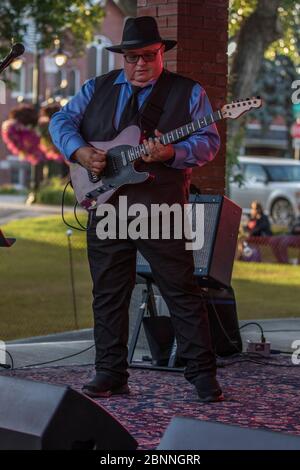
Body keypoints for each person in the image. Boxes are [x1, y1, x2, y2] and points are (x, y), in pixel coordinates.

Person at [49, 16, 222, 402]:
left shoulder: (189, 92)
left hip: (160, 206)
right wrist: (79, 151)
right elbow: (61, 120)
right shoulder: (96, 88)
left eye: (148, 55)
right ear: (122, 57)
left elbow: (209, 143)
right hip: (107, 204)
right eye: (131, 57)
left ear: (162, 54)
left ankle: (202, 375)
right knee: (108, 293)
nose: (139, 64)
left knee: (181, 290)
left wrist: (174, 151)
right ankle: (110, 372)